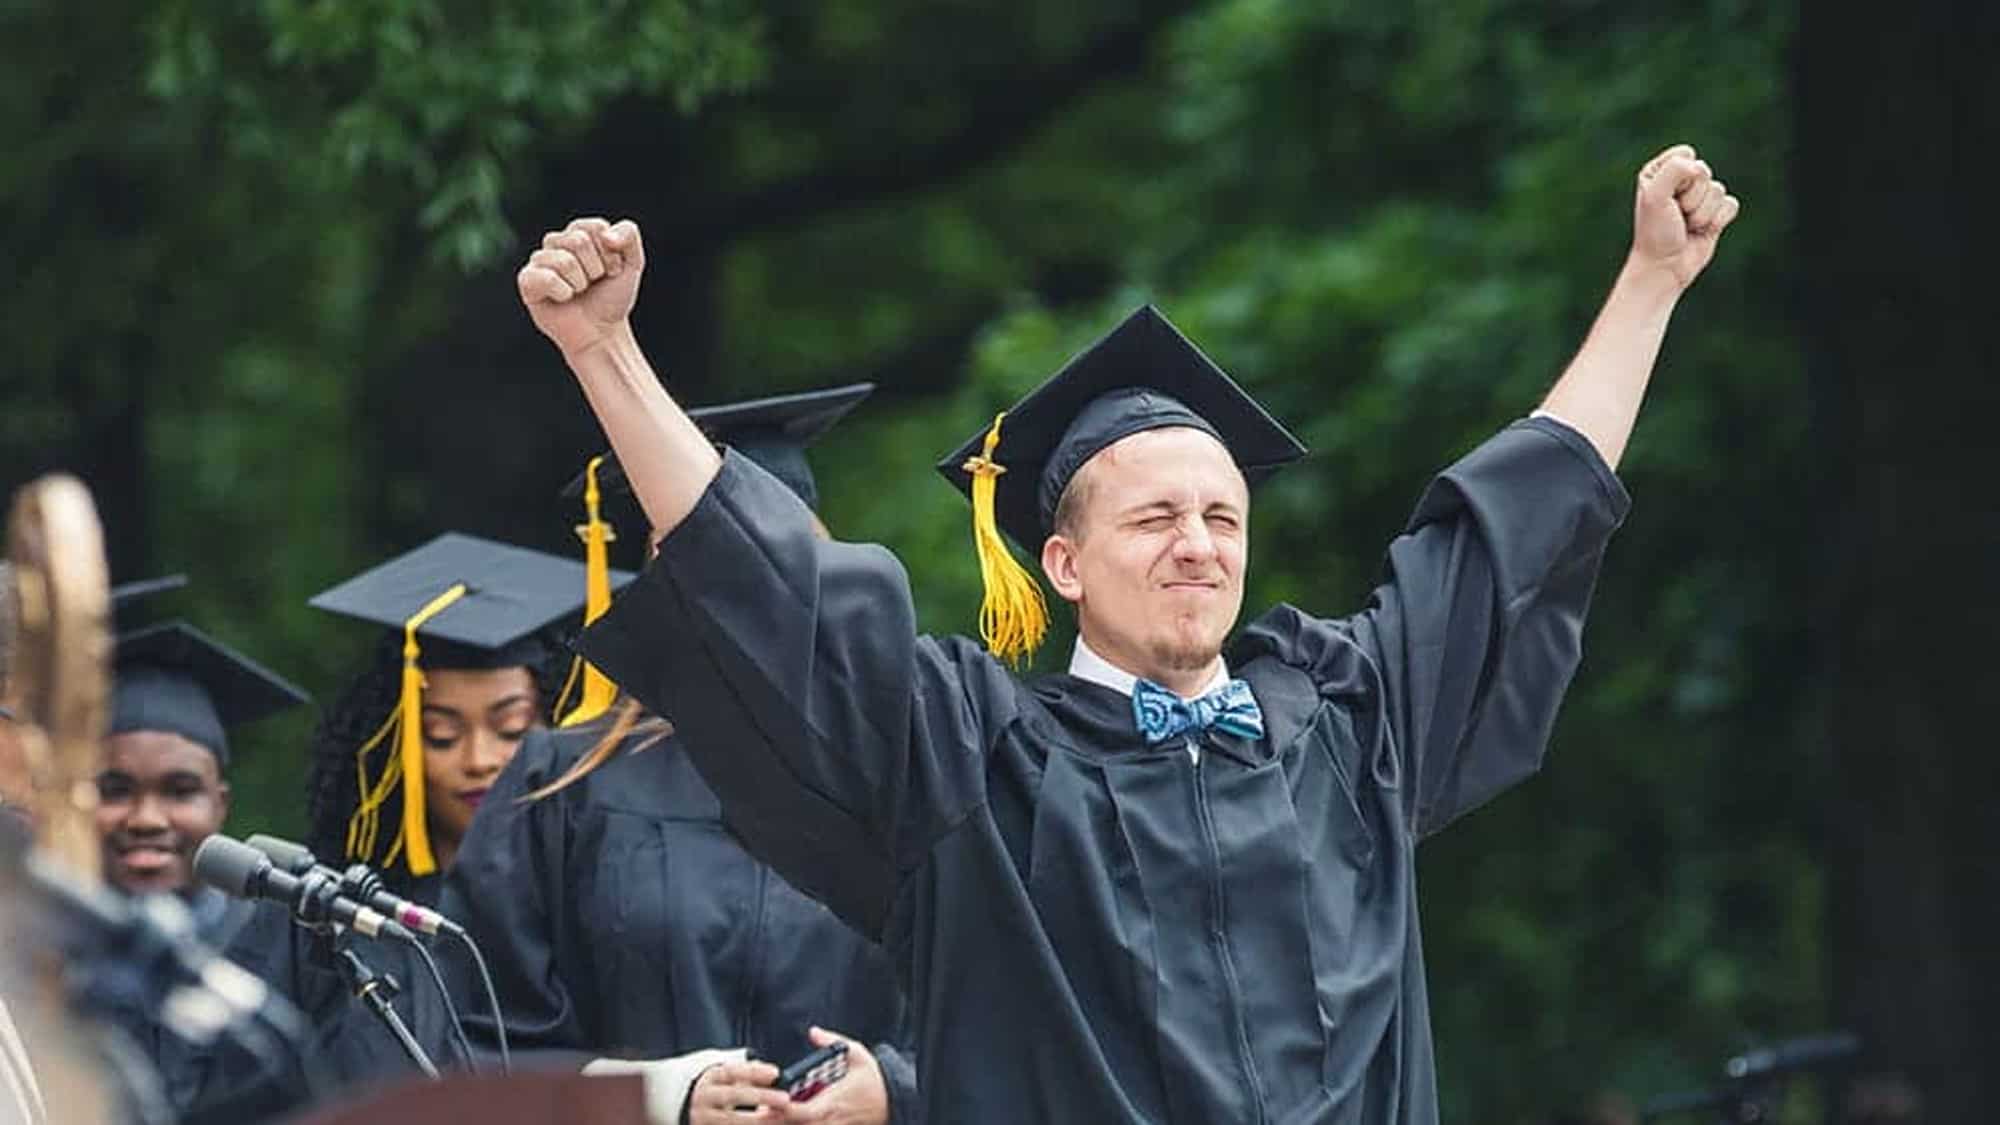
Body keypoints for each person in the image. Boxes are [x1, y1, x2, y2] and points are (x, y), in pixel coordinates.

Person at [520, 145, 1739, 1123]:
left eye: (1221, 515)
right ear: (1060, 564)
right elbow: (780, 591)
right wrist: (605, 352)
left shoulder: (1346, 732)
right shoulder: (975, 764)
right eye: (1154, 516)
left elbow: (1505, 534)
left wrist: (1647, 286)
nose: (1197, 544)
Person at [443, 385, 920, 1125]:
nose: (734, 589)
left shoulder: (914, 777)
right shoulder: (559, 786)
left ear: (822, 571)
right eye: (698, 557)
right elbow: (475, 1042)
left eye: (766, 558)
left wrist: (895, 1090)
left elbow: (1006, 1013)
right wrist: (659, 1096)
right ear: (655, 578)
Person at [170, 533, 619, 1120]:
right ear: (394, 745)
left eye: (511, 730)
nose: (479, 758)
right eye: (441, 734)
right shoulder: (320, 916)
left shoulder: (594, 911)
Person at [100, 612, 311, 948]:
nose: (146, 819)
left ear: (220, 804)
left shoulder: (284, 949)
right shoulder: (32, 947)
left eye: (180, 792)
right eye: (115, 792)